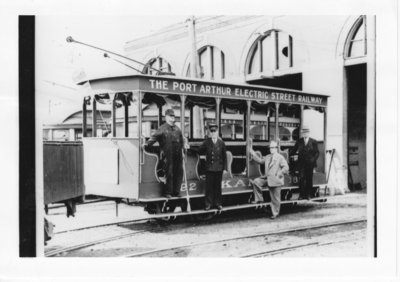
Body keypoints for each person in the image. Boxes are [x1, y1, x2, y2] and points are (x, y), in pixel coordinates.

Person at [145, 109, 189, 198]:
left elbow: (181, 140)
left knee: (179, 172)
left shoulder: (177, 129)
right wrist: (146, 144)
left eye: (173, 117)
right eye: (170, 117)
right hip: (167, 155)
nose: (172, 119)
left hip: (178, 155)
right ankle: (168, 192)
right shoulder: (162, 128)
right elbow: (153, 138)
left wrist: (184, 147)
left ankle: (177, 192)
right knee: (169, 172)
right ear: (166, 117)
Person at [249, 140, 289, 219]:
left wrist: (280, 173)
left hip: (276, 180)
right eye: (270, 148)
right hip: (268, 179)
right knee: (256, 181)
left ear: (276, 148)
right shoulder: (268, 157)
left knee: (275, 199)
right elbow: (260, 161)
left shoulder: (280, 157)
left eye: (273, 147)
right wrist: (253, 153)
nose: (271, 149)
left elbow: (286, 167)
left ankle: (275, 213)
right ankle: (259, 199)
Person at [195, 123, 226, 210]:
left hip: (219, 169)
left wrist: (225, 168)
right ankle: (208, 204)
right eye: (211, 131)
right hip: (209, 169)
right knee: (209, 188)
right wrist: (189, 147)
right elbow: (199, 150)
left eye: (214, 131)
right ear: (209, 132)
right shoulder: (207, 142)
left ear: (217, 132)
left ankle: (218, 204)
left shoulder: (221, 143)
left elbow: (224, 157)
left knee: (217, 187)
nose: (213, 133)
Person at [290, 125, 320, 200]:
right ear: (302, 133)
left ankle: (309, 195)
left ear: (309, 133)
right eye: (304, 132)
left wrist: (313, 159)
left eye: (306, 132)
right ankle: (301, 195)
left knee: (309, 179)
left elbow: (317, 153)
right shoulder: (299, 141)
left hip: (310, 164)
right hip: (301, 164)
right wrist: (289, 154)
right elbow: (293, 150)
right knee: (301, 178)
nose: (305, 134)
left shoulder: (313, 141)